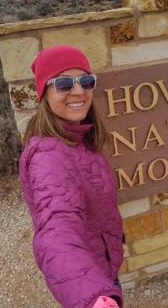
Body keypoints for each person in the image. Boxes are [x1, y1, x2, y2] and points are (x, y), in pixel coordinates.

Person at [18, 45, 124, 308]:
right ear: (44, 93)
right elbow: (57, 229)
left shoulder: (79, 136)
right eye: (64, 83)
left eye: (86, 81)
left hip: (102, 262)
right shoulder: (49, 156)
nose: (78, 91)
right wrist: (91, 299)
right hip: (90, 279)